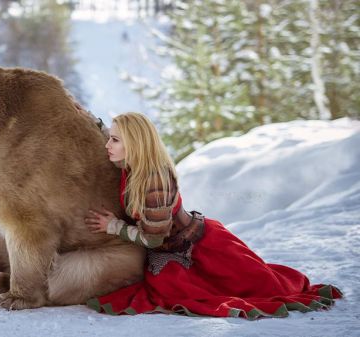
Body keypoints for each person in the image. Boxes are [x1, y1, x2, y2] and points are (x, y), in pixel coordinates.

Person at [84, 112, 342, 319]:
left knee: (267, 288)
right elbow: (113, 134)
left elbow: (153, 239)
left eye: (115, 140)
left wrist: (113, 226)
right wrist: (90, 121)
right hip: (172, 250)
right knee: (172, 287)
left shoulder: (154, 182)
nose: (108, 144)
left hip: (202, 248)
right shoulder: (134, 167)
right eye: (110, 137)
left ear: (135, 143)